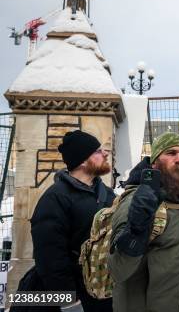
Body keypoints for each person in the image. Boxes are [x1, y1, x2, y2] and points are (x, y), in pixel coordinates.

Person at [109, 132, 179, 312]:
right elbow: (117, 270)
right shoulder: (136, 202)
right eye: (171, 153)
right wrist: (136, 230)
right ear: (154, 162)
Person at [30, 130, 115, 312]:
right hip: (72, 297)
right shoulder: (55, 198)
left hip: (102, 294)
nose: (105, 153)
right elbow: (50, 257)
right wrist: (69, 302)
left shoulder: (108, 195)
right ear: (83, 160)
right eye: (98, 151)